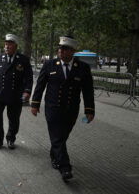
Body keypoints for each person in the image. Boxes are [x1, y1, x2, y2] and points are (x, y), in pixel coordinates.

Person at [30, 36, 95, 181]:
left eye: (64, 49)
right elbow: (40, 86)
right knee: (57, 136)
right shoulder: (50, 65)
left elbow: (88, 91)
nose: (60, 51)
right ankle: (65, 167)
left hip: (71, 109)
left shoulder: (83, 68)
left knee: (61, 137)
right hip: (52, 108)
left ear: (72, 51)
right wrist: (35, 104)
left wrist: (89, 110)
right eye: (59, 48)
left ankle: (55, 156)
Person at [0, 34, 33, 150]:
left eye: (9, 44)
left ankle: (11, 139)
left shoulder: (23, 60)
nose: (6, 46)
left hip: (16, 95)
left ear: (15, 46)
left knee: (14, 119)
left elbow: (29, 77)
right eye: (6, 44)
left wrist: (27, 91)